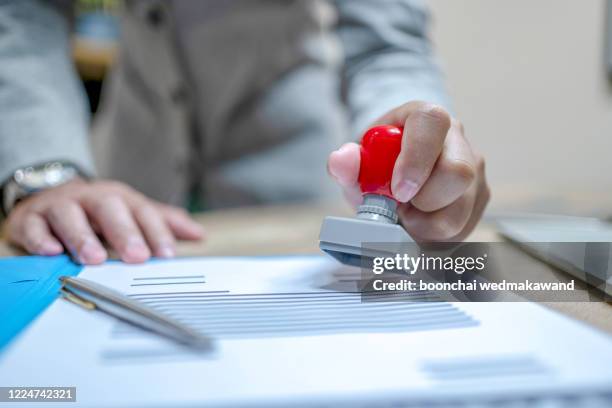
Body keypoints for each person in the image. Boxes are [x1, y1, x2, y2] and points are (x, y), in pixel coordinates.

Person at [0, 0, 489, 265]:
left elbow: (385, 45)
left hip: (291, 202)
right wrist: (48, 169)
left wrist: (417, 145)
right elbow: (22, 14)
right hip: (125, 197)